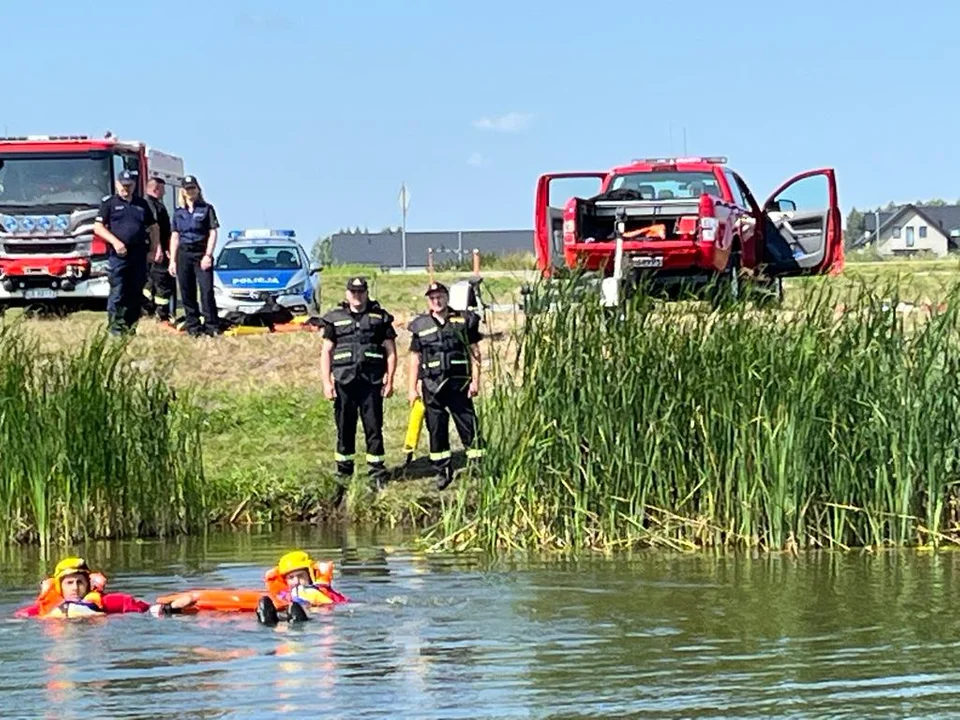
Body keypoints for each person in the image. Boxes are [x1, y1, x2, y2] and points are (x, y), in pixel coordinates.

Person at [320, 276, 398, 490]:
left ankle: (377, 471)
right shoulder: (334, 319)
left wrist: (390, 379)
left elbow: (391, 351)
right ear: (347, 294)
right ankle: (344, 471)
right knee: (345, 427)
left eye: (361, 292)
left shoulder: (380, 318)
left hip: (371, 382)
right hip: (344, 381)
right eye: (354, 292)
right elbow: (326, 351)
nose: (357, 296)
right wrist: (326, 383)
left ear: (366, 293)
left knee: (373, 427)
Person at [407, 281, 484, 490]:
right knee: (436, 429)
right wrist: (412, 388)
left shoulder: (463, 320)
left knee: (469, 425)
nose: (436, 300)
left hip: (459, 384)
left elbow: (474, 352)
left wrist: (475, 380)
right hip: (432, 386)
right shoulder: (420, 325)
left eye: (440, 296)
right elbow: (415, 358)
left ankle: (479, 467)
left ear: (446, 297)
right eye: (432, 298)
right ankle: (443, 470)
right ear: (428, 301)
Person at [13, 556, 195, 619]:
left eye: (80, 582)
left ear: (88, 585)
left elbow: (146, 609)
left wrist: (171, 609)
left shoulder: (108, 602)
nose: (75, 588)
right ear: (60, 588)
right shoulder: (45, 608)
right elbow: (19, 618)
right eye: (69, 583)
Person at [93, 170, 159, 336]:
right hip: (119, 255)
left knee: (135, 292)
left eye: (129, 186)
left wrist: (154, 249)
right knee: (118, 291)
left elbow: (153, 227)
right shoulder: (110, 203)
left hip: (139, 254)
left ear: (134, 185)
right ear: (117, 184)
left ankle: (130, 327)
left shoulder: (141, 204)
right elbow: (98, 227)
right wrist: (115, 242)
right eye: (123, 185)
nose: (126, 189)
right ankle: (115, 328)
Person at [169, 175, 221, 337]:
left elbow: (213, 232)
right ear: (183, 192)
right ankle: (193, 326)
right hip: (184, 254)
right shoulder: (178, 213)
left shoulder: (206, 209)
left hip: (201, 253)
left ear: (198, 189)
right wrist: (172, 260)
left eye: (193, 188)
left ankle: (211, 325)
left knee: (206, 291)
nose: (190, 191)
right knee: (187, 291)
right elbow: (175, 236)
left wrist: (208, 255)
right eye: (187, 189)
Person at [257, 550, 349, 625]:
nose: (296, 581)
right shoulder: (283, 596)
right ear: (286, 580)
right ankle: (268, 621)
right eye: (291, 577)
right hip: (284, 618)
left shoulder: (326, 593)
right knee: (268, 605)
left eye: (301, 576)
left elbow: (345, 605)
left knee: (295, 610)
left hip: (315, 620)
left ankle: (296, 620)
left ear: (310, 575)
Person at [142, 175, 176, 322]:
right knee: (161, 282)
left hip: (159, 249)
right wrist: (158, 249)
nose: (165, 193)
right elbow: (154, 228)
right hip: (156, 252)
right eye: (163, 189)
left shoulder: (154, 204)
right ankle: (160, 314)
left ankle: (151, 311)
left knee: (152, 282)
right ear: (155, 189)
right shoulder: (151, 205)